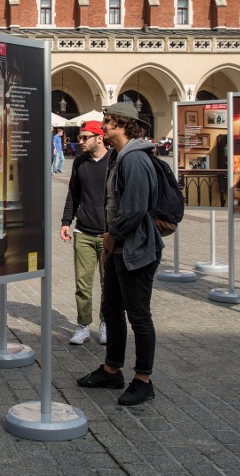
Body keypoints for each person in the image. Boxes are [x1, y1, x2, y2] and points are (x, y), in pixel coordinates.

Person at [77, 101, 164, 407]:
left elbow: (136, 208)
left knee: (138, 315)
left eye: (109, 121)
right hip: (119, 246)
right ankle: (112, 369)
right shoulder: (118, 156)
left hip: (136, 248)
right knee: (112, 308)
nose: (104, 125)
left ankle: (143, 380)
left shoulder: (135, 160)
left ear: (124, 124)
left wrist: (113, 236)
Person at [60, 121, 110, 346]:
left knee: (108, 283)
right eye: (80, 137)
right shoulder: (80, 162)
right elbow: (73, 194)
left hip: (109, 235)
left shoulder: (115, 161)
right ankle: (82, 326)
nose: (79, 141)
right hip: (83, 232)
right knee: (83, 284)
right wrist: (66, 221)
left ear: (99, 138)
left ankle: (105, 322)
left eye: (85, 137)